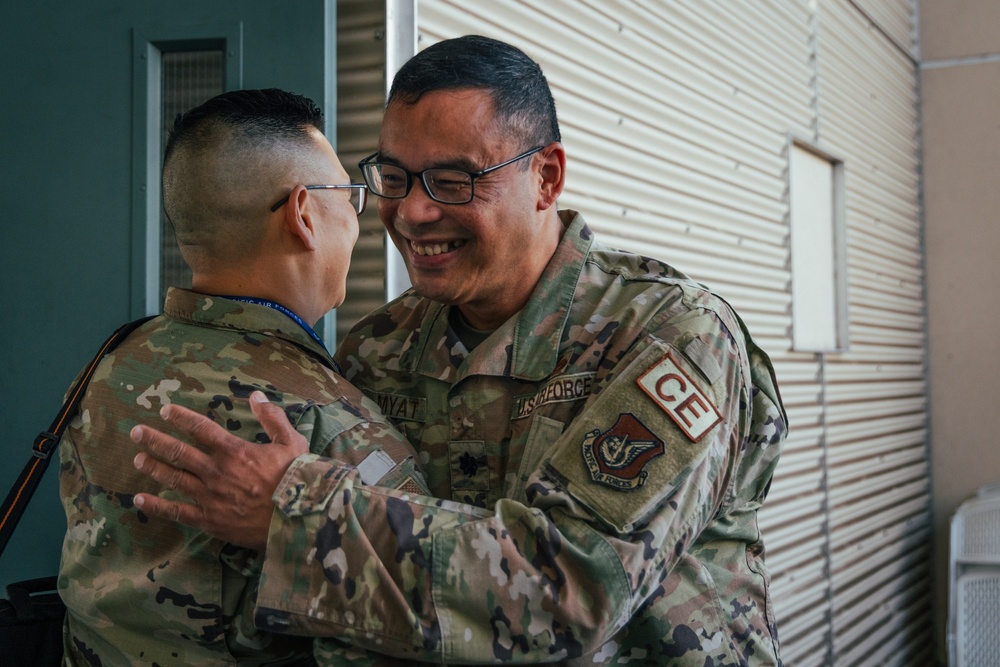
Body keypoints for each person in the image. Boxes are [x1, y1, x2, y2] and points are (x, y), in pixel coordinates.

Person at [131, 36, 788, 666]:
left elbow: (574, 589)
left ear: (546, 177)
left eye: (452, 180)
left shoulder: (671, 334)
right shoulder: (376, 351)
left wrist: (296, 513)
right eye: (394, 176)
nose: (412, 213)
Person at [57, 88, 429, 666]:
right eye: (351, 197)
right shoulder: (326, 424)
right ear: (304, 214)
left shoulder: (109, 364)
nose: (360, 221)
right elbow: (419, 620)